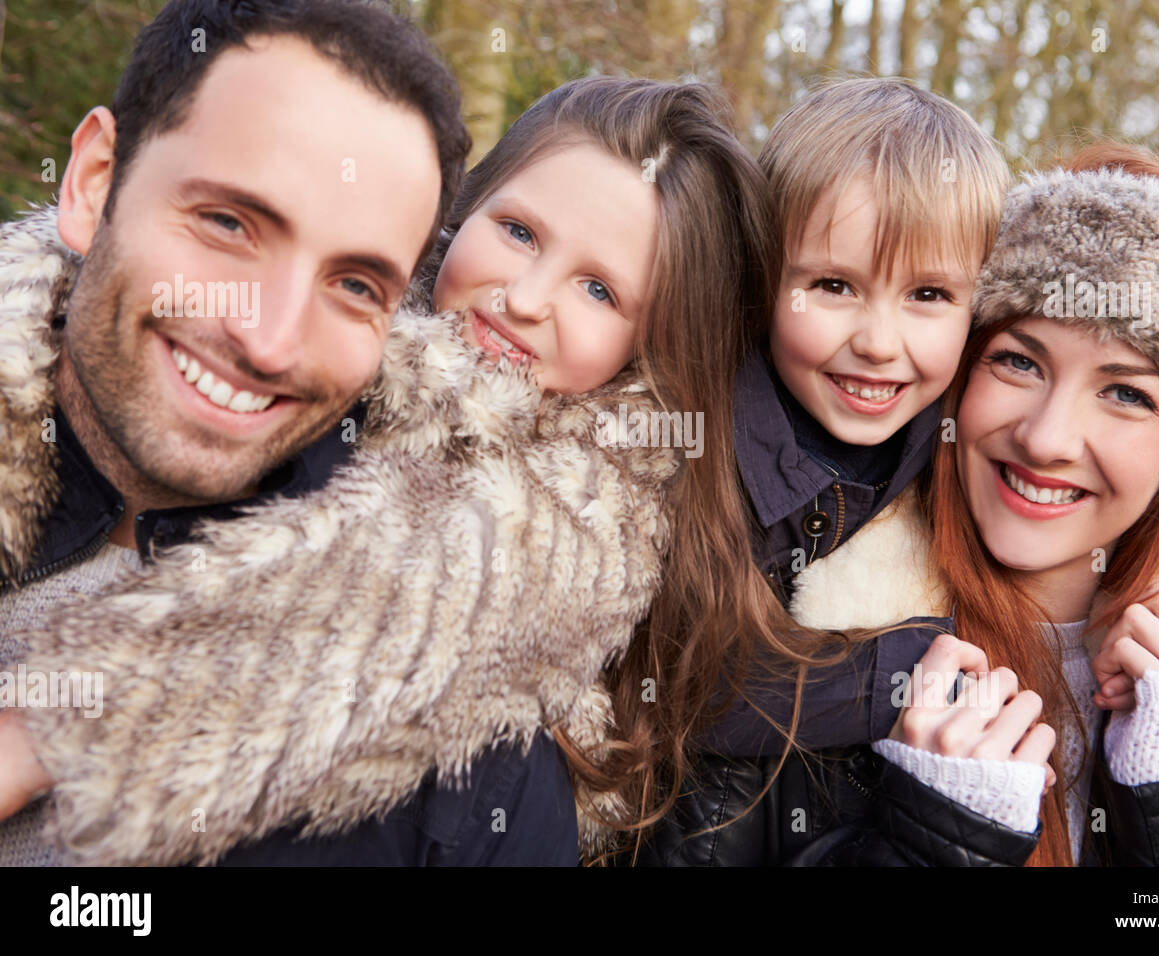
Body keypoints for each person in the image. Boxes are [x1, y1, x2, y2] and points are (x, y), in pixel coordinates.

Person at [0, 12, 776, 866]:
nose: (524, 297)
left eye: (599, 289)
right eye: (516, 233)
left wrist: (54, 729)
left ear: (650, 346)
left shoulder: (539, 575)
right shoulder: (298, 376)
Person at [672, 143, 1159, 866]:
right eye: (1018, 362)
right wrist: (930, 839)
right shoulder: (798, 634)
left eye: (1126, 393)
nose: (1046, 437)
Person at [616, 77, 1010, 862]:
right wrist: (902, 662)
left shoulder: (957, 441)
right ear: (764, 283)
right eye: (833, 285)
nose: (876, 339)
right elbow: (690, 686)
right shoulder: (695, 447)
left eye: (928, 294)